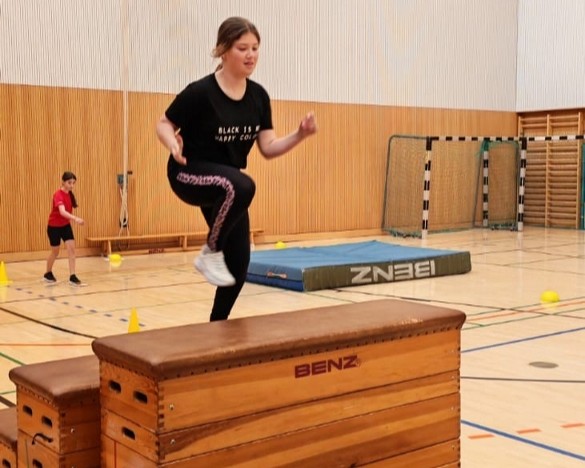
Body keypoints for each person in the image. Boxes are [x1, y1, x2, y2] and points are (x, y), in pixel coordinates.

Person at [155, 16, 317, 321]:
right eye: (242, 48)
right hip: (189, 173)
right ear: (223, 50)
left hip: (227, 187)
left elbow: (268, 147)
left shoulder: (258, 96)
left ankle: (216, 327)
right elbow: (164, 123)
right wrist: (172, 144)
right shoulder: (201, 92)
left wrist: (300, 135)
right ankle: (210, 251)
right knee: (243, 184)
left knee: (239, 264)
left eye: (255, 48)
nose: (251, 55)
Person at [44, 171, 85, 286]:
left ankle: (72, 276)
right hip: (54, 227)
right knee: (55, 252)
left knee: (71, 249)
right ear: (63, 182)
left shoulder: (69, 195)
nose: (71, 185)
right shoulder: (58, 195)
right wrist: (75, 218)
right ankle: (48, 273)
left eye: (73, 183)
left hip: (65, 226)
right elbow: (62, 212)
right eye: (69, 183)